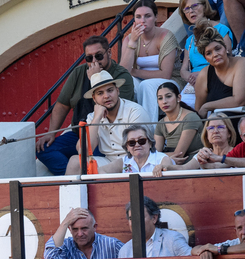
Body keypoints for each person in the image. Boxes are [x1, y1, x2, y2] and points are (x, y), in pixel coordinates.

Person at [36, 36, 137, 175]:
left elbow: (112, 106)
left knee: (88, 152)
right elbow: (62, 104)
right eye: (89, 58)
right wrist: (52, 132)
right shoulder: (78, 72)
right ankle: (75, 174)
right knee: (43, 149)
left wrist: (94, 79)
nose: (94, 61)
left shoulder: (121, 75)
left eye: (99, 56)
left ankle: (80, 173)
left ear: (109, 53)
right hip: (78, 132)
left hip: (102, 137)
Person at [62, 71, 151, 175]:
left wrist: (112, 167)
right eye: (100, 93)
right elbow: (83, 151)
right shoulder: (93, 117)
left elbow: (139, 151)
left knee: (103, 171)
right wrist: (96, 119)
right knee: (75, 161)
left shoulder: (134, 111)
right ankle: (70, 192)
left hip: (135, 160)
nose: (106, 96)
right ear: (94, 98)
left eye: (110, 90)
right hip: (109, 160)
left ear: (117, 91)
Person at [119, 0, 180, 121]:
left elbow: (165, 74)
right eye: (138, 17)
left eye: (147, 16)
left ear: (156, 17)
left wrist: (134, 71)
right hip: (142, 82)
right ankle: (126, 124)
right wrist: (133, 42)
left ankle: (149, 130)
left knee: (146, 85)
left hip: (171, 81)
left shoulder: (166, 37)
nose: (142, 20)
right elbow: (124, 72)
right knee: (126, 82)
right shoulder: (129, 39)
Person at [194, 25, 245, 116]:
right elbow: (199, 110)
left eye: (218, 49)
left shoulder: (242, 63)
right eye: (209, 53)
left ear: (226, 48)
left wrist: (207, 106)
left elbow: (239, 101)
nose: (215, 54)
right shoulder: (204, 74)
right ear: (205, 58)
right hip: (218, 123)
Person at [180, 0, 233, 108]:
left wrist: (202, 75)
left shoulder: (221, 29)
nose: (191, 11)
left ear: (205, 6)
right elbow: (183, 69)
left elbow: (228, 59)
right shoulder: (189, 40)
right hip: (194, 83)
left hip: (218, 78)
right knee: (181, 109)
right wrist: (190, 77)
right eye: (186, 9)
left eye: (194, 6)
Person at [117, 197, 192, 258]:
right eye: (131, 219)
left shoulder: (172, 240)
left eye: (140, 217)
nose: (135, 223)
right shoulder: (125, 250)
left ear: (154, 218)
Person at [44, 207, 123, 259]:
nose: (80, 234)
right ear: (70, 229)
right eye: (75, 229)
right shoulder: (66, 246)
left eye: (84, 228)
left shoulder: (112, 245)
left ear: (94, 227)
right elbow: (50, 256)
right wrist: (65, 222)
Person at [154, 82, 205, 162]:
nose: (164, 101)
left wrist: (161, 156)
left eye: (168, 96)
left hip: (191, 164)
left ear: (179, 98)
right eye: (160, 98)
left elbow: (179, 154)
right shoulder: (161, 123)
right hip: (168, 163)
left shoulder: (190, 117)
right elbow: (155, 153)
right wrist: (160, 157)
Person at [98, 124, 168, 173]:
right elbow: (100, 171)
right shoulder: (123, 162)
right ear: (127, 147)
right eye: (131, 142)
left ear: (150, 143)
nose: (137, 145)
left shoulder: (162, 159)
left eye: (141, 141)